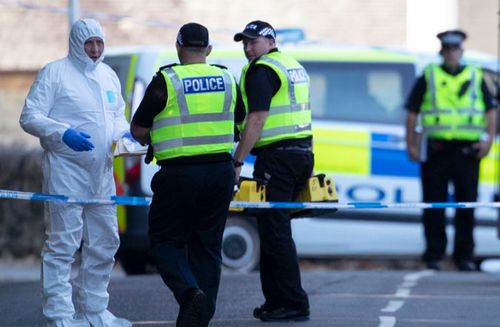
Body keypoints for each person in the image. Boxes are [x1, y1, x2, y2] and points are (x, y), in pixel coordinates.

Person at [130, 22, 245, 327]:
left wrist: (153, 138)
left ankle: (189, 293)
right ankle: (198, 318)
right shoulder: (227, 78)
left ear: (178, 47)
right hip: (220, 172)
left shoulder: (166, 80)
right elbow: (241, 121)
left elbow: (138, 129)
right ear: (208, 50)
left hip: (180, 175)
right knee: (207, 247)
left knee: (165, 241)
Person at [19, 19, 132, 327]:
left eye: (99, 43)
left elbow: (117, 117)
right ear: (76, 43)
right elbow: (30, 116)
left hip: (102, 173)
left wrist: (127, 137)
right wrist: (61, 132)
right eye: (89, 43)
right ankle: (60, 316)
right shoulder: (55, 73)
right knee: (62, 246)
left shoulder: (108, 75)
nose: (95, 50)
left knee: (105, 242)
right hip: (66, 172)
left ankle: (94, 311)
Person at [232, 20, 313, 322]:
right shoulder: (291, 65)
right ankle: (277, 301)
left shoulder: (263, 70)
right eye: (244, 43)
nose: (248, 48)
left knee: (275, 232)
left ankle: (292, 302)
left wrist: (237, 160)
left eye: (253, 42)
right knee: (274, 228)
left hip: (278, 158)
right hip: (300, 153)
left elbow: (257, 119)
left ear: (270, 41)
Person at [405, 30, 497, 272]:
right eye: (447, 49)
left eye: (455, 49)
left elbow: (490, 111)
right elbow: (412, 111)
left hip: (468, 152)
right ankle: (434, 255)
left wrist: (488, 141)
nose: (451, 53)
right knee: (434, 205)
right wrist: (411, 144)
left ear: (461, 51)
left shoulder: (476, 75)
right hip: (437, 150)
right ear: (441, 51)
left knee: (466, 206)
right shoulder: (430, 75)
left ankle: (463, 256)